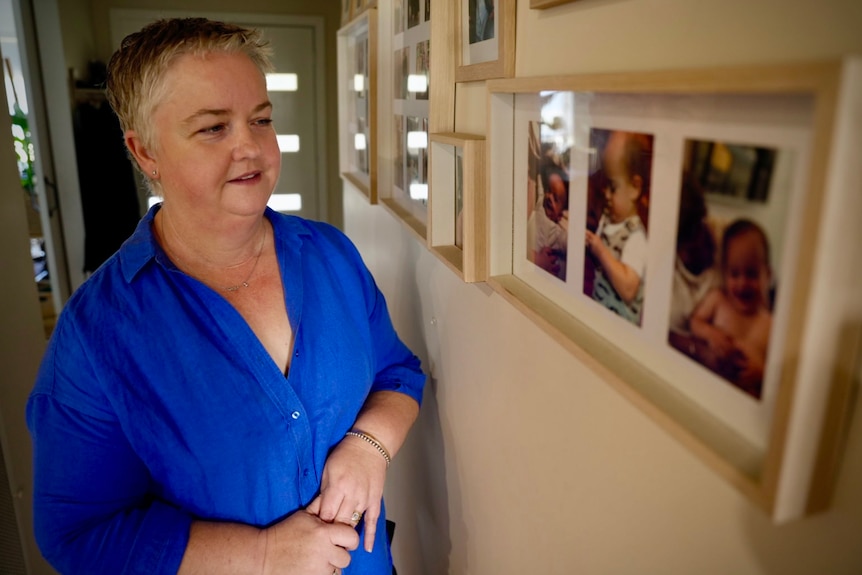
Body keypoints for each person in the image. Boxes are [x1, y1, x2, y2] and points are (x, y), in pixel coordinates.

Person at [26, 18, 426, 575]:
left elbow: (399, 373)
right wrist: (260, 556)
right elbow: (79, 535)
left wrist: (369, 445)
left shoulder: (331, 256)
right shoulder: (98, 333)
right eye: (213, 128)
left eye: (261, 119)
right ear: (145, 153)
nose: (251, 146)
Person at [689, 219, 773, 397]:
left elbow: (779, 374)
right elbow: (695, 321)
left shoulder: (770, 324)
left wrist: (763, 374)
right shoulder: (718, 301)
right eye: (734, 273)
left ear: (768, 275)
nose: (742, 283)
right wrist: (710, 333)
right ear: (724, 273)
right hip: (710, 390)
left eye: (751, 273)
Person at [584, 130, 652, 325]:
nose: (606, 194)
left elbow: (629, 289)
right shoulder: (609, 217)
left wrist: (600, 250)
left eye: (613, 187)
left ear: (635, 188)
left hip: (619, 326)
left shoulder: (636, 236)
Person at [528, 163, 569, 280]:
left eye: (556, 198)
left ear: (562, 212)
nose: (549, 197)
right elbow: (540, 189)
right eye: (549, 191)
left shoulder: (556, 231)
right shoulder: (539, 208)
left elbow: (566, 242)